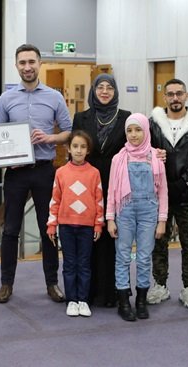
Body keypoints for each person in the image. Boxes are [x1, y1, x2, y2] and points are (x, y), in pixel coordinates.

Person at [0, 44, 72, 304]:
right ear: (16, 66)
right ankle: (6, 284)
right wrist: (7, 158)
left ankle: (52, 283)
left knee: (47, 229)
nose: (27, 67)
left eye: (31, 62)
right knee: (10, 229)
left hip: (43, 171)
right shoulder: (6, 99)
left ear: (40, 64)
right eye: (22, 62)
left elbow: (68, 132)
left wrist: (50, 137)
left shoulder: (54, 97)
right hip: (15, 173)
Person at [147, 79, 188, 308]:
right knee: (158, 241)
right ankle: (159, 285)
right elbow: (146, 153)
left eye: (179, 94)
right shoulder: (152, 124)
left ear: (186, 95)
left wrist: (183, 184)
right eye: (170, 94)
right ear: (164, 97)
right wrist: (162, 184)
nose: (175, 98)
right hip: (158, 194)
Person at [71, 73, 131, 308]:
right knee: (89, 237)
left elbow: (140, 145)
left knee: (112, 237)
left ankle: (111, 292)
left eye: (109, 88)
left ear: (115, 92)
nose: (105, 91)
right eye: (100, 88)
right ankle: (86, 291)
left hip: (118, 183)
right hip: (86, 183)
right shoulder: (81, 117)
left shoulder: (126, 118)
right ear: (93, 91)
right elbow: (75, 149)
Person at [106, 113, 168, 322]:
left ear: (146, 131)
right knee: (122, 256)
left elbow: (163, 192)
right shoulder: (119, 158)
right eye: (129, 130)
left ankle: (141, 301)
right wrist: (110, 218)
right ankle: (123, 301)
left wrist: (162, 220)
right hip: (124, 211)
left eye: (138, 130)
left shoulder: (156, 157)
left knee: (143, 258)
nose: (133, 135)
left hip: (149, 212)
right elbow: (112, 190)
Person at [46, 130, 104, 317]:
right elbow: (55, 200)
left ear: (88, 151)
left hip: (87, 227)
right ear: (68, 149)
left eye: (83, 147)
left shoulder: (94, 173)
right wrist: (52, 224)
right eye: (75, 146)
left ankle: (83, 300)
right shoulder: (61, 173)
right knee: (70, 264)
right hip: (66, 226)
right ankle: (71, 300)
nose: (79, 150)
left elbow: (99, 200)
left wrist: (98, 224)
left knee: (84, 264)